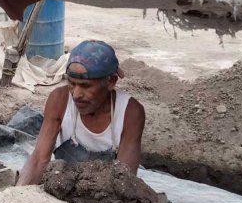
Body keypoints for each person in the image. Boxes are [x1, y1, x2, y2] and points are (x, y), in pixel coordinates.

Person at [16, 40, 145, 186]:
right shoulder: (60, 100)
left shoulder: (130, 113)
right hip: (63, 183)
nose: (76, 94)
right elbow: (39, 158)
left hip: (105, 190)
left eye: (85, 86)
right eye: (71, 83)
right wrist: (17, 195)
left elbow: (124, 179)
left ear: (111, 82)